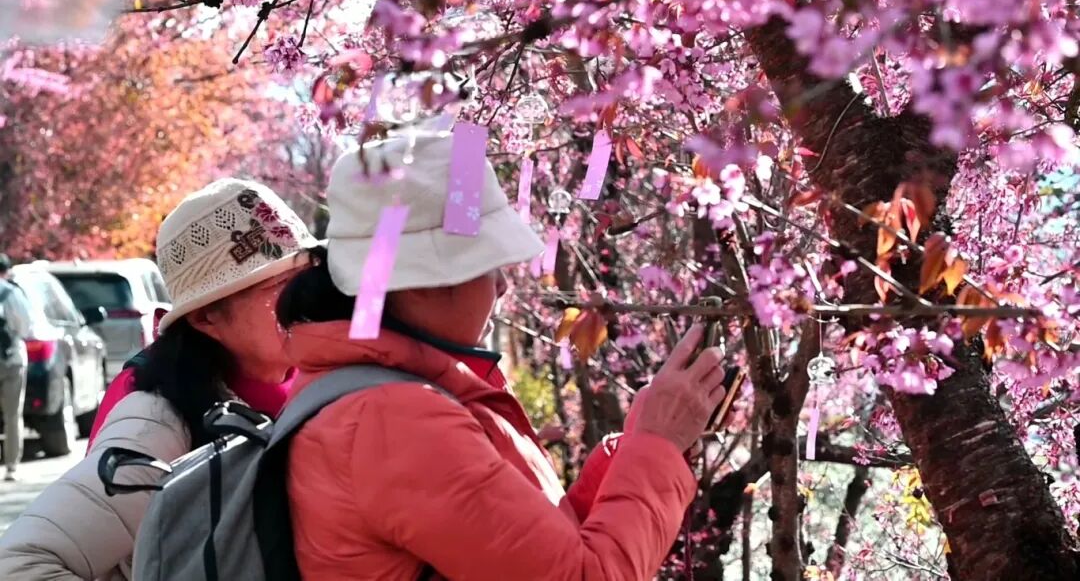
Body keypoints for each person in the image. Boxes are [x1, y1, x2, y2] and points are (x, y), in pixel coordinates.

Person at [275, 121, 729, 580]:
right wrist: (657, 445)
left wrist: (641, 444)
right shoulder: (392, 420)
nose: (503, 285)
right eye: (488, 264)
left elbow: (543, 550)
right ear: (425, 280)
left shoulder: (375, 399)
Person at [0, 179, 319, 580]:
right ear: (205, 318)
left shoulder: (314, 384)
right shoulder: (157, 425)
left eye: (311, 276)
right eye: (282, 286)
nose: (308, 298)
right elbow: (19, 563)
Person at [0, 253, 33, 482]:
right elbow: (26, 327)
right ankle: (11, 466)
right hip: (11, 360)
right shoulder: (11, 293)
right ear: (6, 271)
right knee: (12, 415)